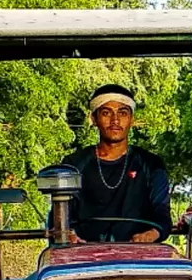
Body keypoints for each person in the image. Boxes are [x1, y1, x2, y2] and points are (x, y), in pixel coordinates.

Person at [64, 84, 173, 244]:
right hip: (84, 256)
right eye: (106, 113)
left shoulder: (151, 165)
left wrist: (151, 234)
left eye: (122, 113)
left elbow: (162, 214)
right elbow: (62, 215)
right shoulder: (74, 164)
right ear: (93, 119)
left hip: (138, 257)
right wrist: (70, 235)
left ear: (131, 119)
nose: (115, 120)